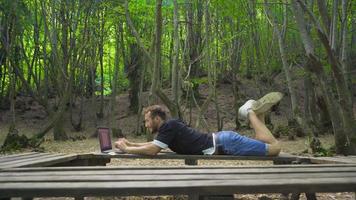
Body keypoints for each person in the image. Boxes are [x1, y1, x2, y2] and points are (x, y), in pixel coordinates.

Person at [115, 92, 283, 156]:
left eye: (147, 121)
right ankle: (257, 113)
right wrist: (131, 143)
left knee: (274, 148)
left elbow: (153, 150)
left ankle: (249, 111)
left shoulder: (168, 127)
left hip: (226, 143)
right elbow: (154, 145)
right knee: (264, 142)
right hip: (224, 142)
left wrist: (127, 149)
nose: (146, 125)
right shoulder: (169, 128)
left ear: (157, 119)